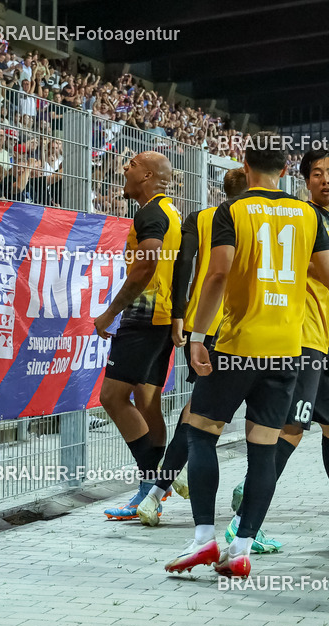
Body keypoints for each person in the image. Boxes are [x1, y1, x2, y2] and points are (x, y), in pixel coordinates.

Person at [164, 132, 329, 577]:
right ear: (285, 170)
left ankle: (204, 539)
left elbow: (219, 274)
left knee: (202, 431)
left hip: (238, 344)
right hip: (288, 349)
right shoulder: (306, 215)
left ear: (245, 168)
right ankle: (242, 548)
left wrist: (198, 334)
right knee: (264, 448)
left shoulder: (233, 210)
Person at [223, 149, 329, 549]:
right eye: (316, 173)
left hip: (324, 341)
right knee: (291, 428)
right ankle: (242, 521)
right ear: (304, 182)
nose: (325, 179)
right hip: (298, 339)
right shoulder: (301, 218)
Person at [135, 167, 249, 526]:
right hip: (249, 328)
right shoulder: (265, 219)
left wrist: (180, 317)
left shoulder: (200, 218)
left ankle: (158, 491)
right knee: (257, 421)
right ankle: (243, 496)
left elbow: (183, 266)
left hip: (203, 325)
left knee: (198, 411)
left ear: (220, 189)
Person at [92, 151, 182, 520]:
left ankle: (151, 487)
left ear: (146, 175)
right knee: (147, 401)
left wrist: (110, 312)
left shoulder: (151, 213)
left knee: (112, 397)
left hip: (144, 316)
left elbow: (146, 265)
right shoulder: (172, 213)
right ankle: (158, 486)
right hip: (163, 317)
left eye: (130, 165)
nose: (123, 169)